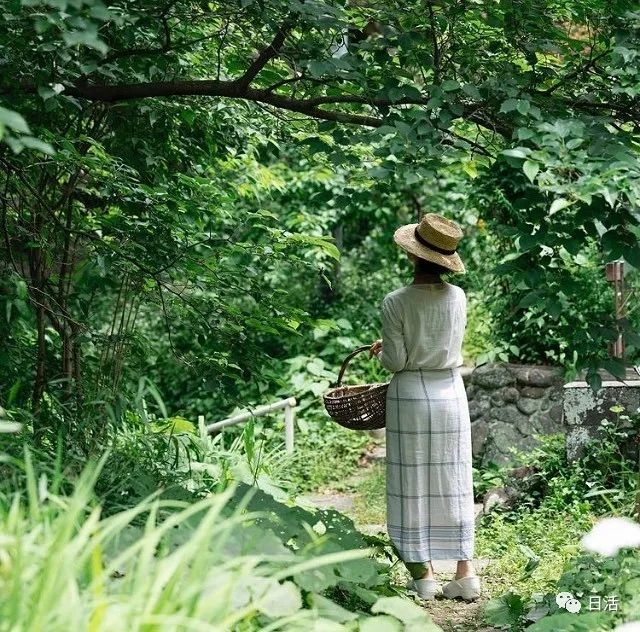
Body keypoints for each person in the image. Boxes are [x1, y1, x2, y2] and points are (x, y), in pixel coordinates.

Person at [369, 213, 481, 602]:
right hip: (450, 393)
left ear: (412, 255)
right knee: (454, 479)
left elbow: (397, 361)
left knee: (410, 483)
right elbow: (442, 342)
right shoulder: (459, 297)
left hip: (411, 398)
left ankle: (425, 576)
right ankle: (466, 573)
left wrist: (383, 351)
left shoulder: (395, 302)